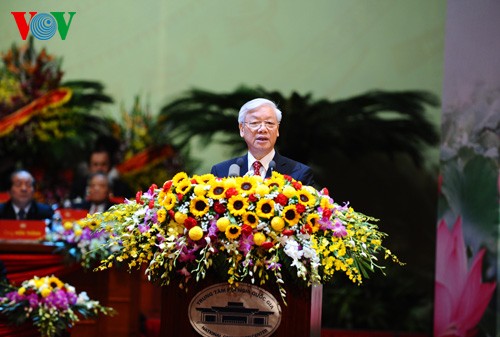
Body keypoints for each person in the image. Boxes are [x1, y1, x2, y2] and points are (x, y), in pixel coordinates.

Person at [211, 98, 315, 186]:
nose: (263, 129)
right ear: (242, 129)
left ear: (277, 129)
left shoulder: (299, 173)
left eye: (269, 123)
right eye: (255, 123)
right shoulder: (222, 171)